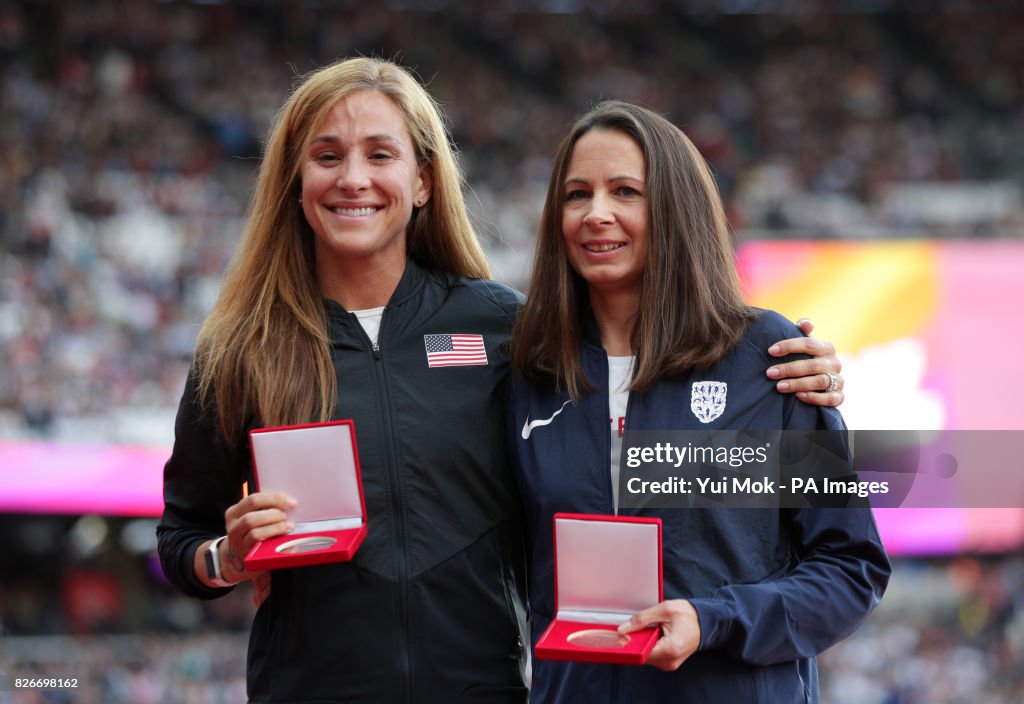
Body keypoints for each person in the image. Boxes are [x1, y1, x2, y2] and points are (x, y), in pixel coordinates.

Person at [156, 58, 847, 703]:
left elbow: (637, 393)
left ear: (423, 180)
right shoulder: (242, 349)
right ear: (294, 180)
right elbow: (180, 540)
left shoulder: (507, 331)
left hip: (482, 687)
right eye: (327, 156)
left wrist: (785, 364)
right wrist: (226, 557)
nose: (353, 178)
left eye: (381, 154)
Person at [508, 100, 890, 703]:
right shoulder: (529, 372)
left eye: (626, 191)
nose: (596, 213)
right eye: (577, 194)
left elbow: (850, 568)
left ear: (674, 208)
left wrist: (714, 620)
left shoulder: (770, 358)